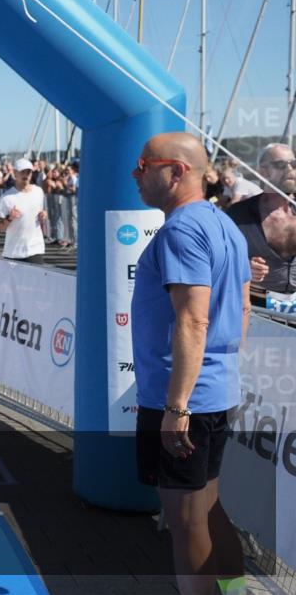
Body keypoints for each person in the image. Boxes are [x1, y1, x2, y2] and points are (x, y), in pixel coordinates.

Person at [130, 132, 249, 595]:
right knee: (208, 509)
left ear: (176, 171)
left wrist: (177, 405)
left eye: (144, 165)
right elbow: (239, 310)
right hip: (213, 391)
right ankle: (235, 591)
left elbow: (194, 319)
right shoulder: (224, 225)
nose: (135, 173)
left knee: (184, 522)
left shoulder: (181, 229)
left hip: (184, 401)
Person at [225, 143, 296, 311]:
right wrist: (243, 266)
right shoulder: (237, 215)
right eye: (280, 164)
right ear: (263, 171)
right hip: (258, 309)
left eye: (293, 164)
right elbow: (218, 261)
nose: (290, 169)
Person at [0, 157, 47, 263]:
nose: (26, 175)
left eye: (28, 172)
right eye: (22, 172)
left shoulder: (38, 192)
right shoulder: (6, 198)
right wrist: (9, 218)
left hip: (35, 248)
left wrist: (43, 216)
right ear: (15, 173)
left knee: (36, 280)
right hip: (14, 251)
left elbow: (39, 215)